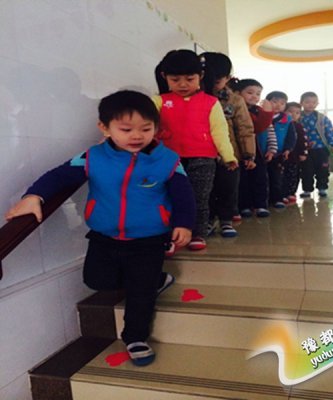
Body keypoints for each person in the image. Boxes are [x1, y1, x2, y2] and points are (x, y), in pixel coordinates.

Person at [5, 90, 196, 367]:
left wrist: (184, 223)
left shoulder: (168, 160)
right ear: (105, 128)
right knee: (97, 281)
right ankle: (155, 280)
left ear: (156, 128)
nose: (137, 136)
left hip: (150, 239)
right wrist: (34, 196)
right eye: (126, 129)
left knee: (140, 292)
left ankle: (135, 337)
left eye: (146, 129)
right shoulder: (93, 157)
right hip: (104, 237)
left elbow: (184, 195)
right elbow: (59, 175)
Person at [154, 49, 237, 250]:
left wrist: (228, 156)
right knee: (168, 197)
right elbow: (143, 123)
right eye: (175, 80)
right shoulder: (159, 101)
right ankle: (170, 237)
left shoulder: (211, 102)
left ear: (201, 76)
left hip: (203, 159)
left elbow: (220, 131)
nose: (183, 84)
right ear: (165, 77)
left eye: (189, 79)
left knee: (199, 198)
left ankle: (197, 233)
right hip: (168, 159)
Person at [199, 52, 256, 237]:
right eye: (206, 79)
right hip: (203, 153)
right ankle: (208, 220)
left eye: (216, 81)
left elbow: (245, 128)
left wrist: (248, 154)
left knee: (228, 188)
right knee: (205, 190)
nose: (210, 84)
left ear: (228, 79)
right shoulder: (196, 98)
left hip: (229, 154)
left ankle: (226, 220)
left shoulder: (235, 100)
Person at [231, 78, 277, 218]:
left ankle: (260, 205)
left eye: (258, 94)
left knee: (260, 177)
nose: (255, 97)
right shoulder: (237, 109)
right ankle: (244, 206)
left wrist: (271, 149)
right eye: (250, 92)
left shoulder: (257, 110)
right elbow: (257, 126)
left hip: (256, 149)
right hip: (239, 149)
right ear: (238, 94)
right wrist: (267, 113)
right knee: (242, 180)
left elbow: (268, 129)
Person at [299, 91, 333, 198]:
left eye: (314, 102)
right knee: (306, 171)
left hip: (321, 149)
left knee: (323, 170)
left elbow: (329, 131)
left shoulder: (322, 118)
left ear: (317, 103)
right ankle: (307, 190)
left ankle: (322, 188)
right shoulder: (298, 117)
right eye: (307, 102)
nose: (311, 104)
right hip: (305, 150)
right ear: (301, 103)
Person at [265, 91, 297, 208]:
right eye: (275, 102)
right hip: (263, 152)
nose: (278, 105)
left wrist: (288, 149)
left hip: (278, 153)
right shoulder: (262, 115)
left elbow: (291, 136)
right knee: (263, 177)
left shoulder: (287, 119)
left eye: (282, 103)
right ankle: (264, 200)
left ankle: (277, 199)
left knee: (277, 177)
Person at [283, 101, 308, 203]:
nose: (294, 114)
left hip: (295, 156)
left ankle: (291, 193)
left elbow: (303, 141)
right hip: (282, 155)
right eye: (290, 111)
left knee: (294, 175)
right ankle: (282, 193)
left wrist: (303, 153)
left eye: (297, 113)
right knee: (282, 176)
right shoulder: (282, 124)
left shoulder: (298, 126)